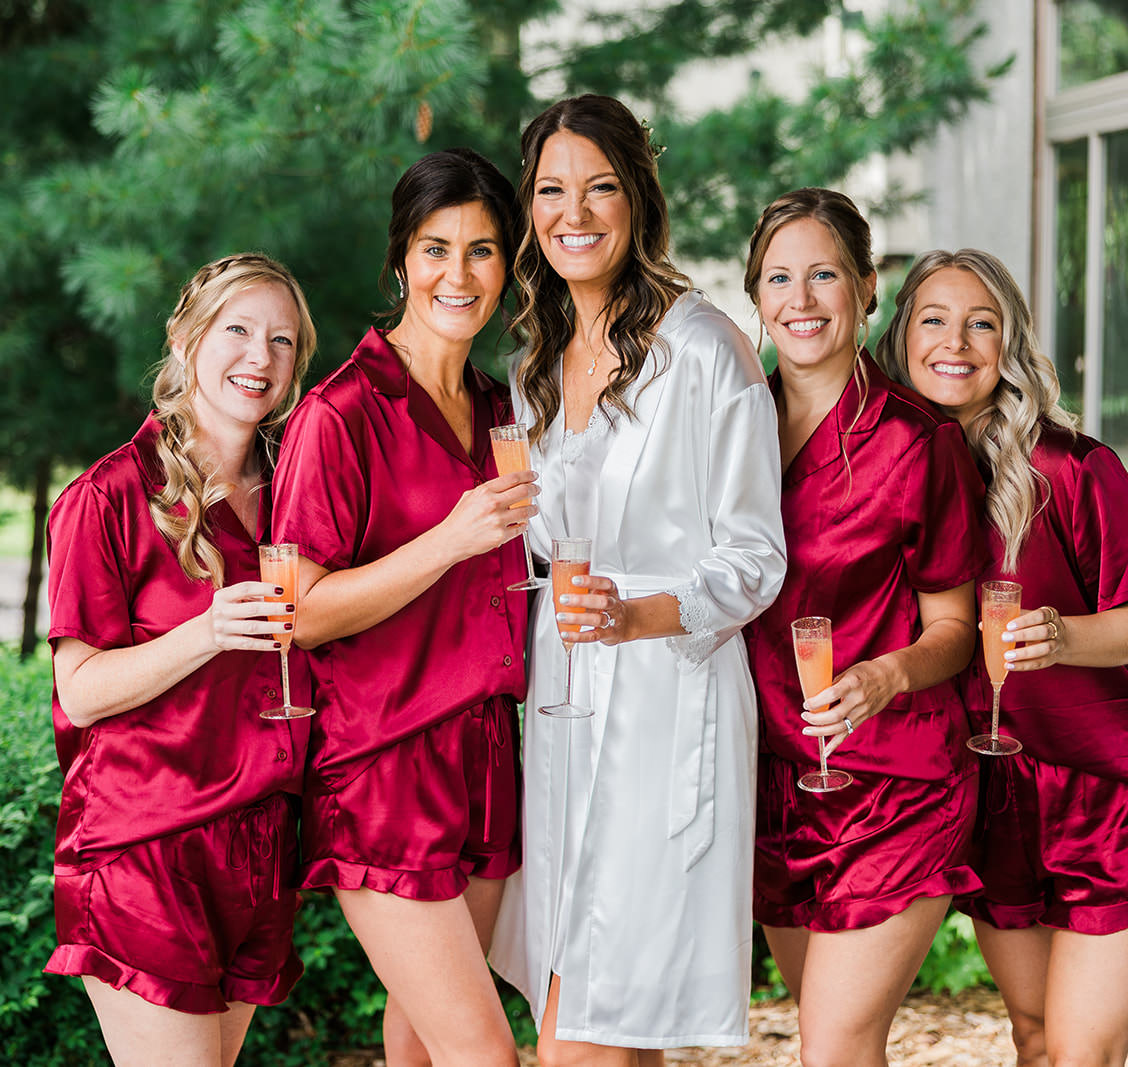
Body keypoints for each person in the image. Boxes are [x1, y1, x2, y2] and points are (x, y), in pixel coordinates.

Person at [488, 94, 787, 1066]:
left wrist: (636, 609)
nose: (574, 212)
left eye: (600, 187)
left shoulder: (703, 348)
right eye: (550, 190)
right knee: (603, 1017)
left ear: (639, 198)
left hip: (668, 707)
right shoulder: (534, 362)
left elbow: (754, 557)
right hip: (564, 707)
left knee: (593, 1027)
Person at [880, 248, 1128, 1067]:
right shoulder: (891, 478)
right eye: (934, 319)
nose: (956, 341)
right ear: (901, 339)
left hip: (1112, 791)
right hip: (994, 794)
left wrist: (1065, 635)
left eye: (981, 322)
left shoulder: (1070, 466)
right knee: (1031, 1037)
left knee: (1078, 1053)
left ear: (1009, 344)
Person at [270, 148, 534, 1067]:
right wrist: (450, 537)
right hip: (385, 767)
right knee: (485, 1054)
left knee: (419, 1041)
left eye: (483, 251)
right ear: (400, 263)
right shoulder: (337, 415)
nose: (458, 275)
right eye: (435, 249)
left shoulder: (505, 410)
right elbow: (296, 612)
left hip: (490, 756)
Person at [44, 252, 318, 1066]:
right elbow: (82, 692)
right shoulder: (109, 495)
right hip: (145, 848)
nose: (259, 358)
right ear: (186, 336)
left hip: (263, 846)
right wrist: (205, 631)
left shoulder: (296, 494)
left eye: (282, 340)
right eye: (238, 329)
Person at [741, 190, 988, 1067]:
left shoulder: (921, 442)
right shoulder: (727, 431)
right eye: (779, 277)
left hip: (898, 781)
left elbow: (956, 626)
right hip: (773, 783)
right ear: (756, 297)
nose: (800, 299)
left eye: (823, 275)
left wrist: (886, 674)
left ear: (865, 287)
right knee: (828, 1036)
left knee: (836, 1042)